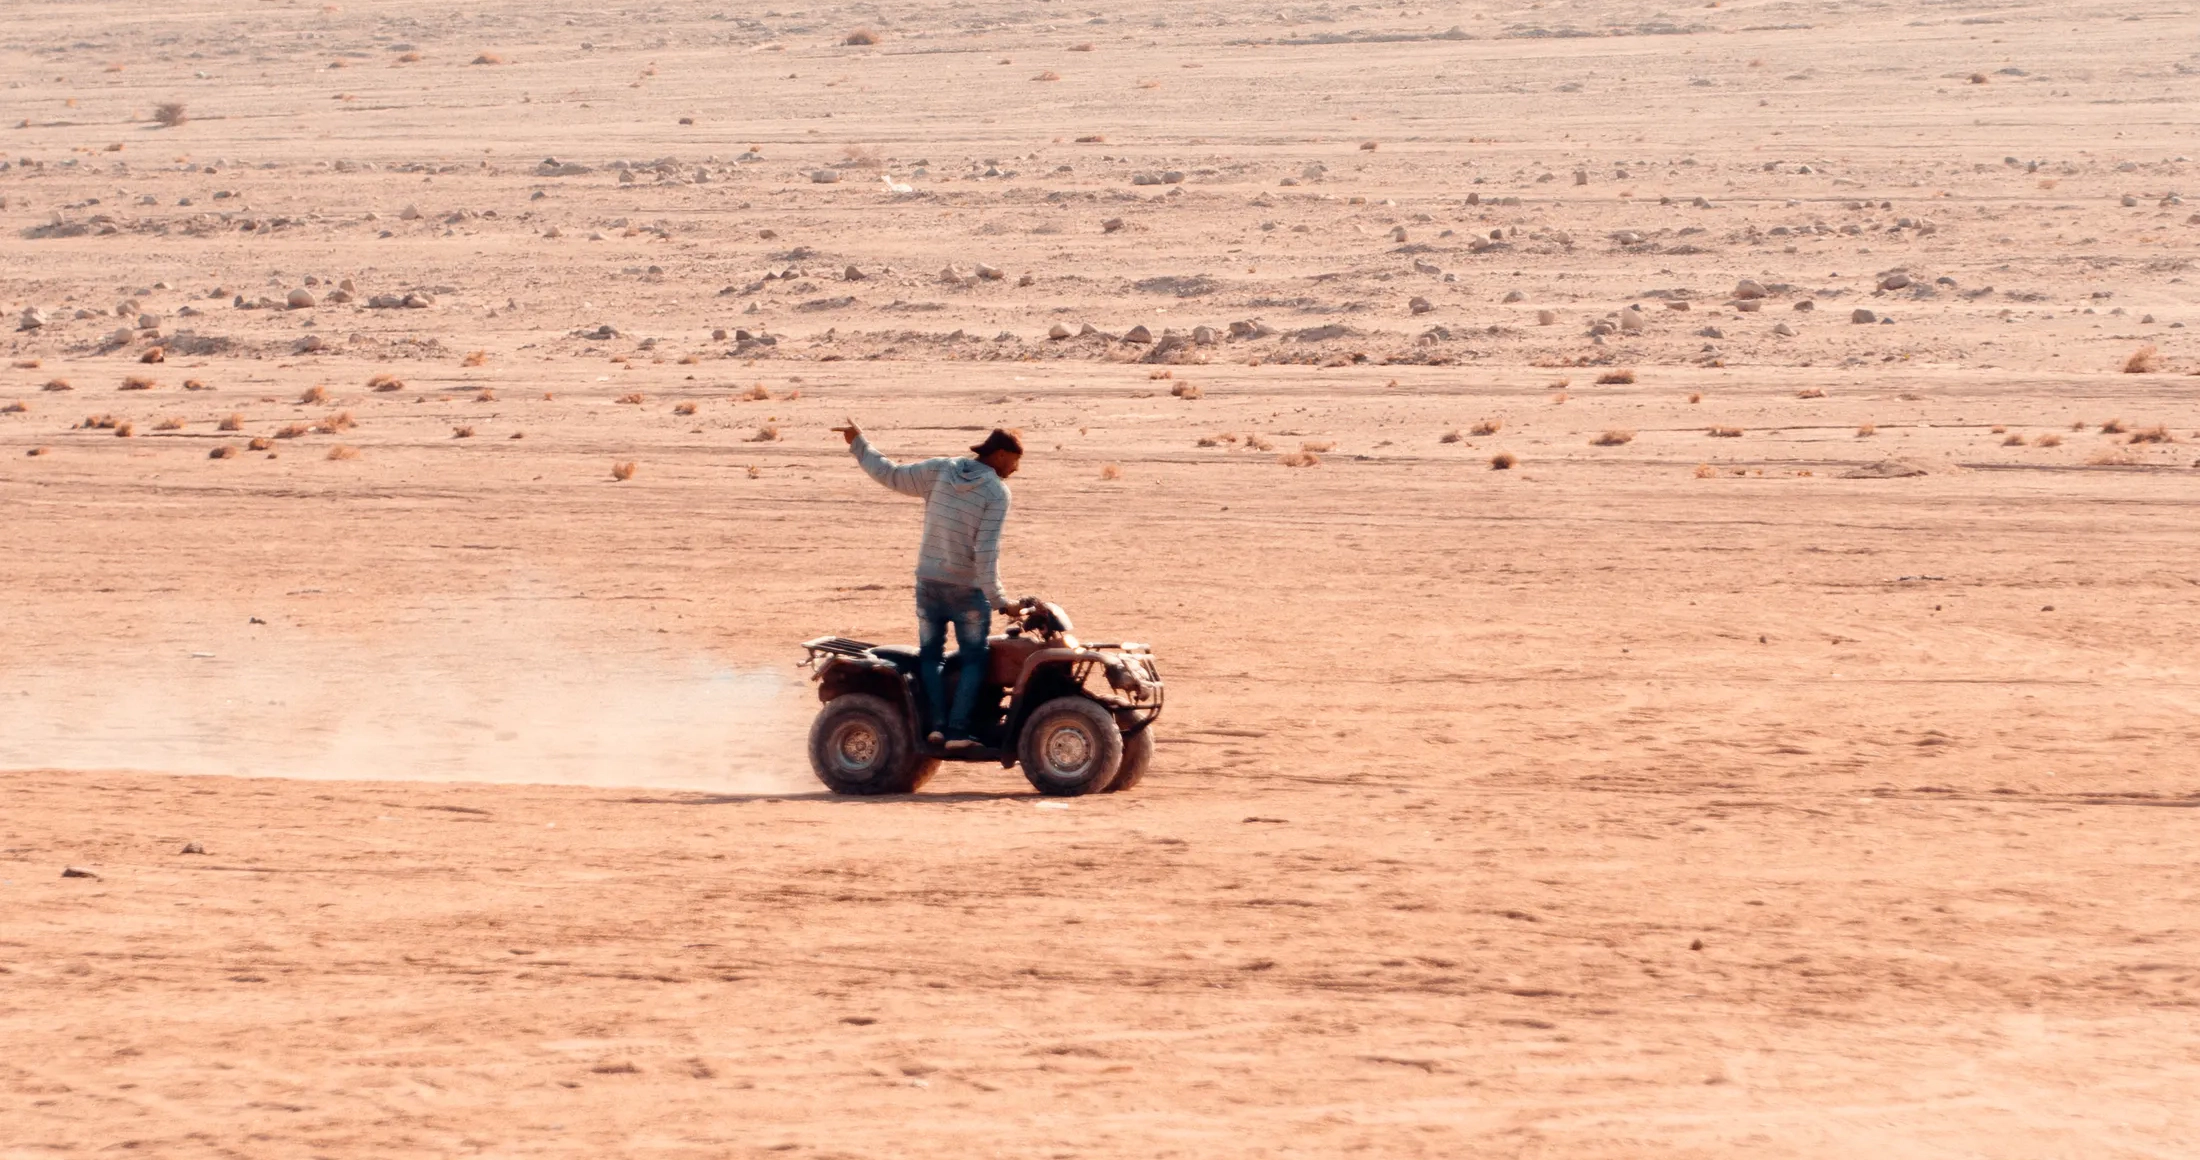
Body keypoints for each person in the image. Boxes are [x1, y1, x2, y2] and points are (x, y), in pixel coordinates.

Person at [835, 419, 1027, 751]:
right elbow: (986, 551)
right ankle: (957, 732)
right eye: (1015, 461)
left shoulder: (940, 470)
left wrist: (859, 443)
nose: (1016, 469)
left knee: (931, 656)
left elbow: (891, 474)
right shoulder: (996, 492)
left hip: (928, 584)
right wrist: (1000, 600)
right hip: (967, 590)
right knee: (974, 658)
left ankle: (936, 726)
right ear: (999, 455)